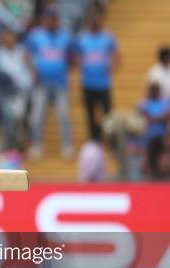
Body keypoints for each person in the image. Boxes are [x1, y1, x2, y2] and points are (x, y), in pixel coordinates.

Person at [26, 7, 74, 159]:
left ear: (57, 21)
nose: (50, 22)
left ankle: (67, 146)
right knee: (37, 116)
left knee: (64, 115)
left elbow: (72, 56)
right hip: (41, 83)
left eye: (53, 19)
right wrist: (33, 70)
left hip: (60, 83)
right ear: (44, 20)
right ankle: (36, 145)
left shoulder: (65, 37)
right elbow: (27, 55)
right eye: (47, 19)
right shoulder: (36, 36)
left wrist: (65, 68)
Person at [75, 10, 119, 139]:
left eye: (97, 19)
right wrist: (81, 67)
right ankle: (93, 139)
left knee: (107, 113)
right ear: (88, 21)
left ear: (100, 20)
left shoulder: (108, 37)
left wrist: (112, 67)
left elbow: (116, 54)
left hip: (103, 83)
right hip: (88, 83)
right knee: (90, 114)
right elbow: (77, 55)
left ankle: (110, 138)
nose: (94, 22)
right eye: (92, 19)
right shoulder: (82, 37)